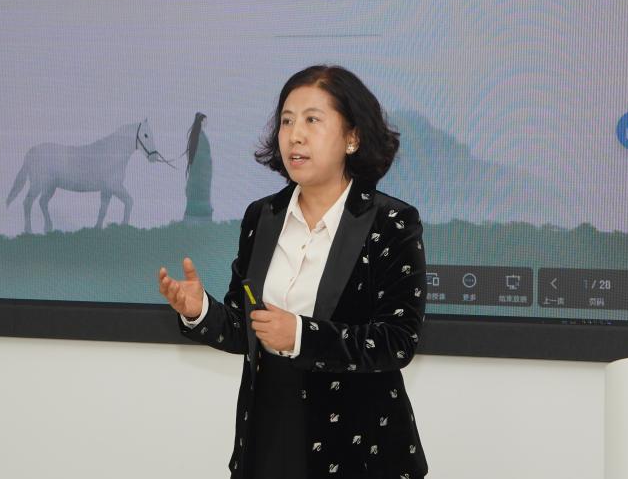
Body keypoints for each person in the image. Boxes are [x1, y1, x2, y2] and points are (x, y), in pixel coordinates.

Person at [158, 64, 428, 479]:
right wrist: (200, 312)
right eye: (286, 121)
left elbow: (397, 341)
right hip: (268, 434)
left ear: (353, 137)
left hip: (359, 448)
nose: (294, 135)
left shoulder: (390, 222)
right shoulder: (262, 217)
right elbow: (248, 328)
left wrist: (301, 335)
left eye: (312, 120)